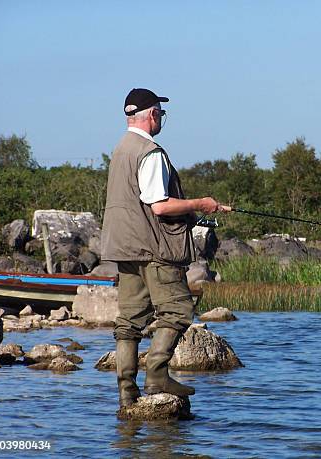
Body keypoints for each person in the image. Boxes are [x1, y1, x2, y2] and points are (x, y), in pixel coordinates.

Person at [101, 88, 230, 408]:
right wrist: (202, 203)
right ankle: (157, 374)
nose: (161, 118)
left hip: (125, 248)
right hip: (155, 249)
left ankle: (127, 394)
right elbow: (159, 205)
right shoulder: (150, 151)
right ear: (152, 115)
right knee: (178, 311)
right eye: (160, 113)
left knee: (129, 322)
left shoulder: (120, 149)